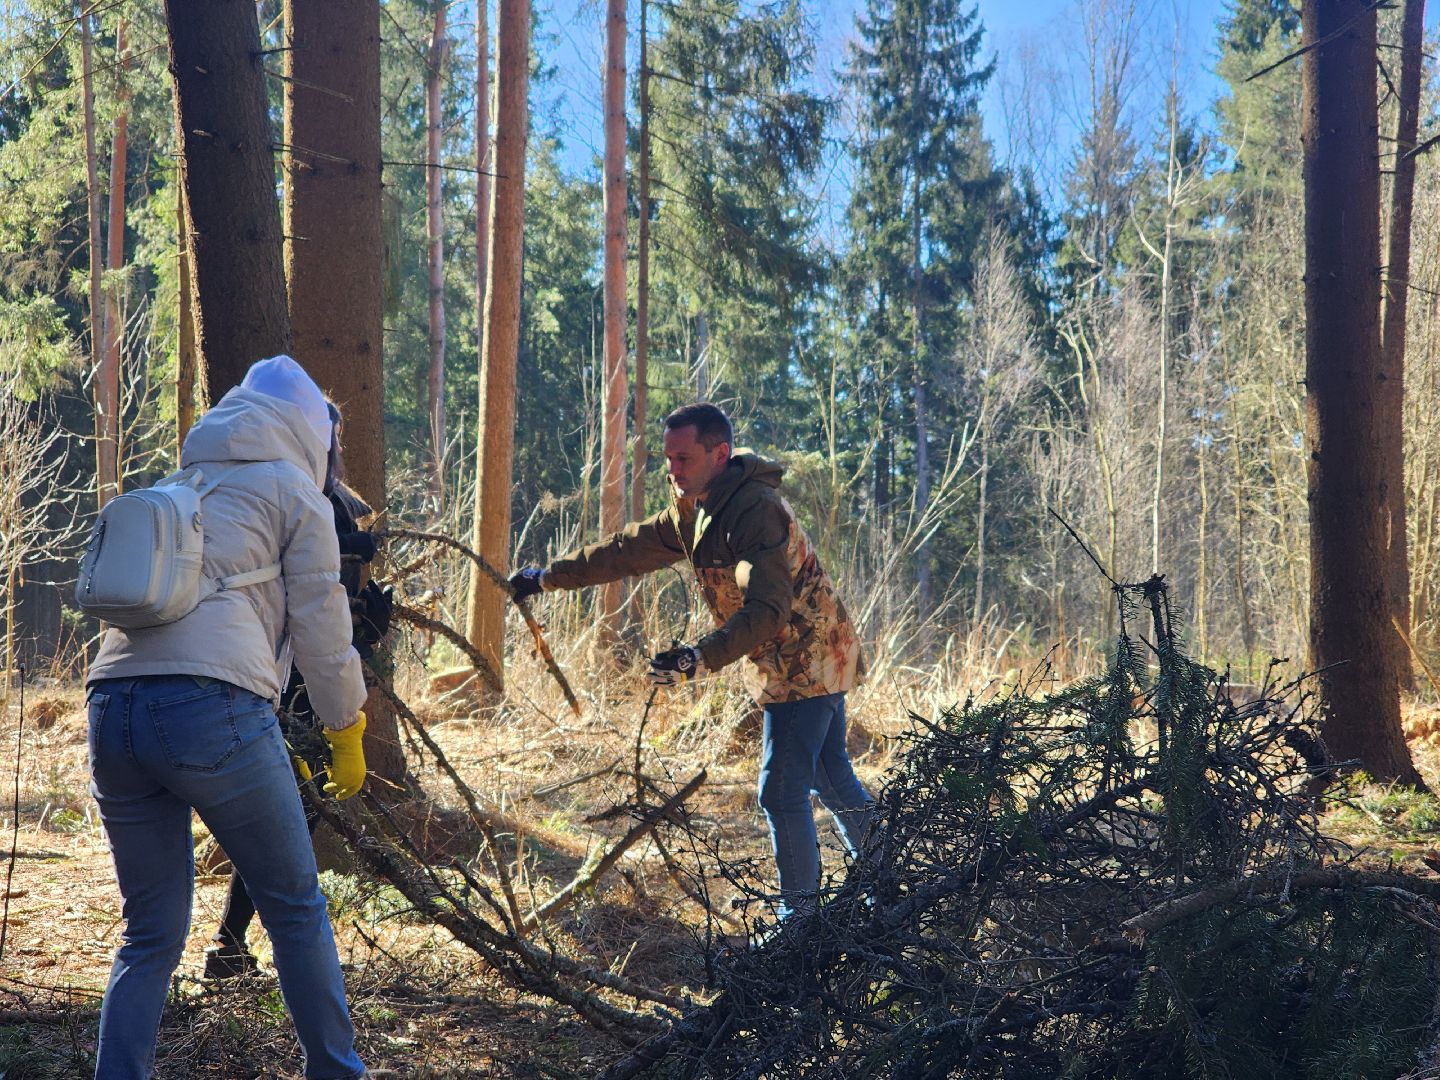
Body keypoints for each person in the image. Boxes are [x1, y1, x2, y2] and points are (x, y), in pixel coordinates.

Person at [86, 355, 371, 1080]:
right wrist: (347, 728)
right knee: (295, 909)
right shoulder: (293, 493)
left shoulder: (176, 483)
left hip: (110, 706)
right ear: (310, 428)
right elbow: (321, 626)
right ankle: (338, 1074)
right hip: (210, 710)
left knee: (149, 932)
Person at [511, 402, 874, 919]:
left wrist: (698, 658)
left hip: (807, 660)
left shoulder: (754, 511)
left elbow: (768, 610)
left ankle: (802, 926)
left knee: (781, 791)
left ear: (719, 454)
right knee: (829, 775)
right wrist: (549, 577)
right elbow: (628, 550)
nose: (671, 470)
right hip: (799, 657)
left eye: (682, 458)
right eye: (668, 458)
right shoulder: (696, 507)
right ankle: (891, 877)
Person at [204, 403, 393, 980]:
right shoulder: (295, 497)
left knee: (292, 819)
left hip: (314, 686)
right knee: (281, 820)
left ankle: (232, 946)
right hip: (282, 687)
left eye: (339, 434)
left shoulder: (339, 500)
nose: (336, 445)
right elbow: (302, 596)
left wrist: (370, 629)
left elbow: (339, 610)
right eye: (329, 434)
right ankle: (236, 946)